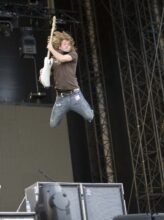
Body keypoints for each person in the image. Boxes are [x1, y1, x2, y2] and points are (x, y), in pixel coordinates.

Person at [40, 31, 94, 128]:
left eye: (69, 44)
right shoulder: (53, 60)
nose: (67, 46)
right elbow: (45, 77)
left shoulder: (73, 54)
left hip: (75, 96)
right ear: (59, 46)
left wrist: (51, 49)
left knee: (90, 116)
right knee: (53, 124)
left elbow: (62, 59)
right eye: (65, 44)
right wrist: (43, 72)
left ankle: (88, 110)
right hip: (61, 99)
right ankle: (64, 110)